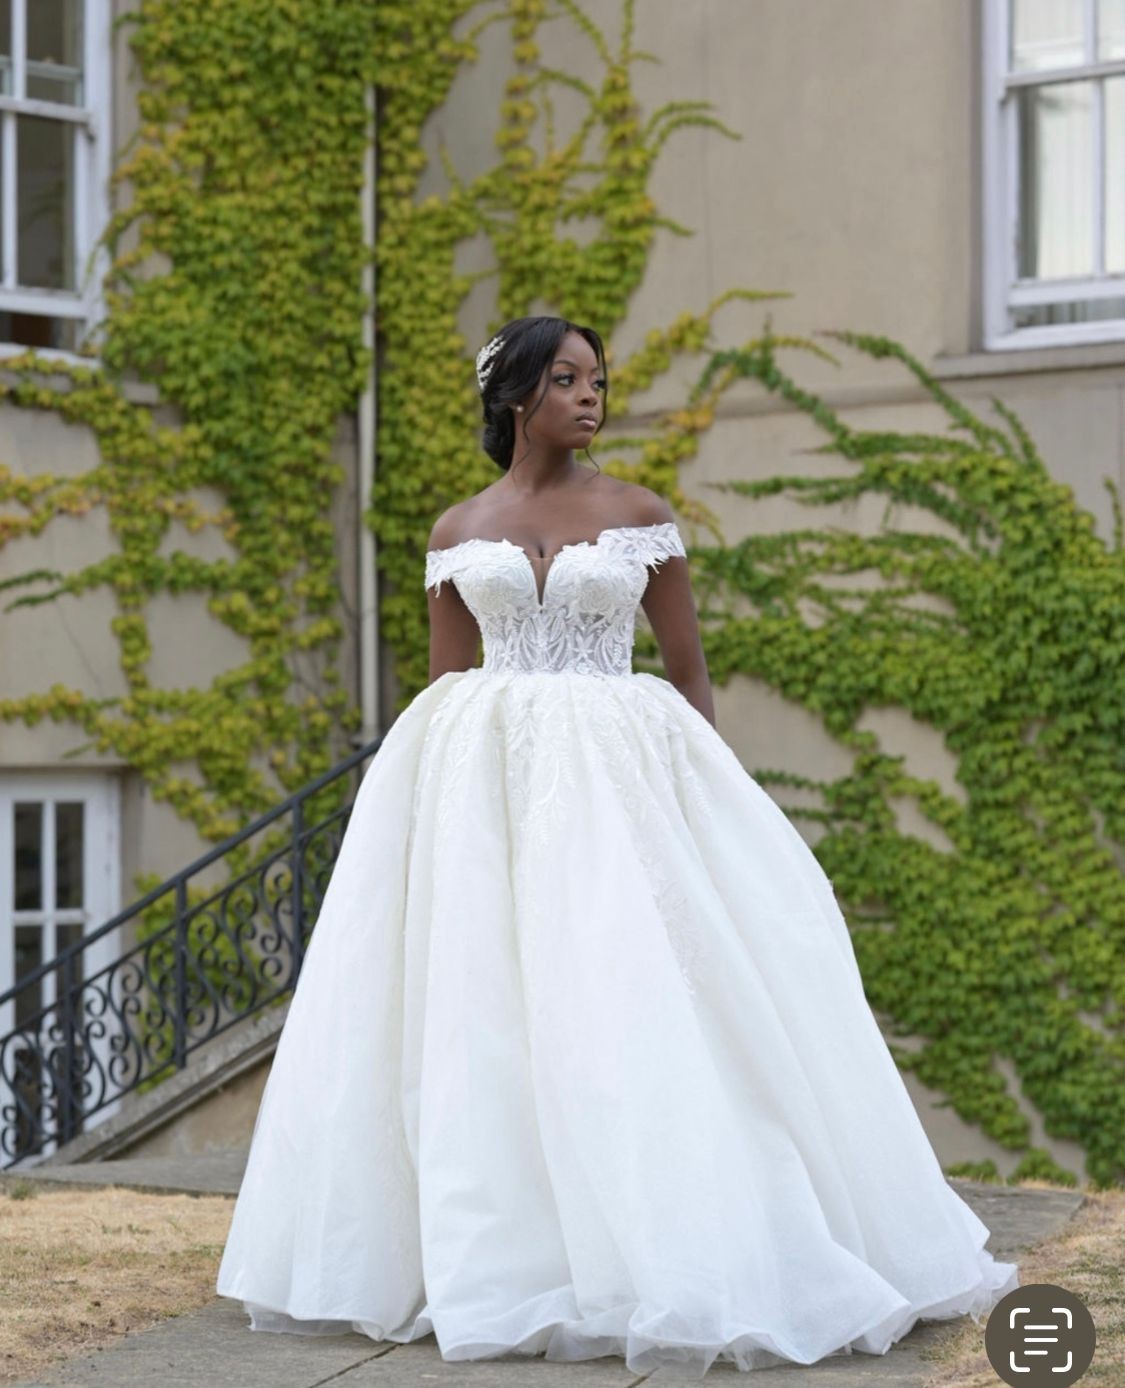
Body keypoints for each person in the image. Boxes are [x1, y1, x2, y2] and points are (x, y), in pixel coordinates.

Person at [215, 315, 1019, 1381]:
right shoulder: (459, 525)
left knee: (627, 988)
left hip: (618, 774)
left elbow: (688, 672)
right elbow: (448, 678)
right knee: (493, 1008)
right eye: (567, 378)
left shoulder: (640, 515)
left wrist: (701, 800)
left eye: (598, 379)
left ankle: (689, 1237)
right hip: (488, 785)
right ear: (515, 396)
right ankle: (506, 1250)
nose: (591, 396)